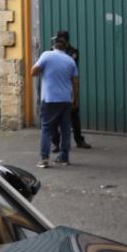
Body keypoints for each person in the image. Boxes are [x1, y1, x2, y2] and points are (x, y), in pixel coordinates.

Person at [30, 33, 79, 168]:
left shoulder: (47, 55)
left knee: (46, 128)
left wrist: (45, 70)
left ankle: (44, 159)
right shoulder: (70, 60)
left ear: (54, 46)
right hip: (66, 100)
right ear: (65, 47)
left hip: (50, 99)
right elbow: (75, 83)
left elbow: (33, 72)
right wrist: (75, 100)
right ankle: (64, 158)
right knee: (65, 129)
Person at [53, 29, 92, 149]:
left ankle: (79, 140)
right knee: (54, 118)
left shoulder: (73, 52)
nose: (58, 41)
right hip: (55, 87)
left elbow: (71, 69)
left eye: (60, 39)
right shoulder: (51, 51)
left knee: (74, 115)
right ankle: (56, 143)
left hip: (68, 86)